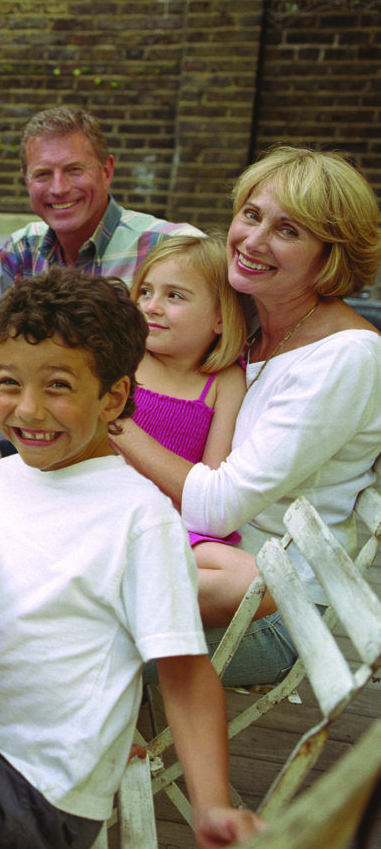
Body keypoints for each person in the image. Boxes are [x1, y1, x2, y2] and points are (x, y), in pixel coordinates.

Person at [0, 268, 261, 849]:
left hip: (37, 790)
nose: (29, 409)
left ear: (112, 398)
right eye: (9, 383)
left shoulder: (139, 518)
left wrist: (211, 803)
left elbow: (185, 673)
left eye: (58, 386)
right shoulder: (5, 475)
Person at [113, 146, 381, 686]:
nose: (253, 241)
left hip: (274, 605)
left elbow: (218, 508)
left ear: (330, 255)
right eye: (251, 215)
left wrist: (110, 420)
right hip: (194, 554)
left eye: (289, 231)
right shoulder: (249, 326)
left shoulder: (346, 356)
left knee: (46, 627)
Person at [0, 105, 198, 349]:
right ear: (26, 180)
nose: (59, 188)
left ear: (106, 172)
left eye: (74, 170)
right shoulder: (27, 245)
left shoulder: (167, 245)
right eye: (43, 174)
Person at [128, 234, 269, 627]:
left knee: (255, 580)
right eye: (146, 292)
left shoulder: (224, 382)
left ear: (221, 317)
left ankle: (114, 590)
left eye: (175, 296)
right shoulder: (124, 360)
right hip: (103, 509)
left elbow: (211, 479)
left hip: (173, 528)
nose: (152, 307)